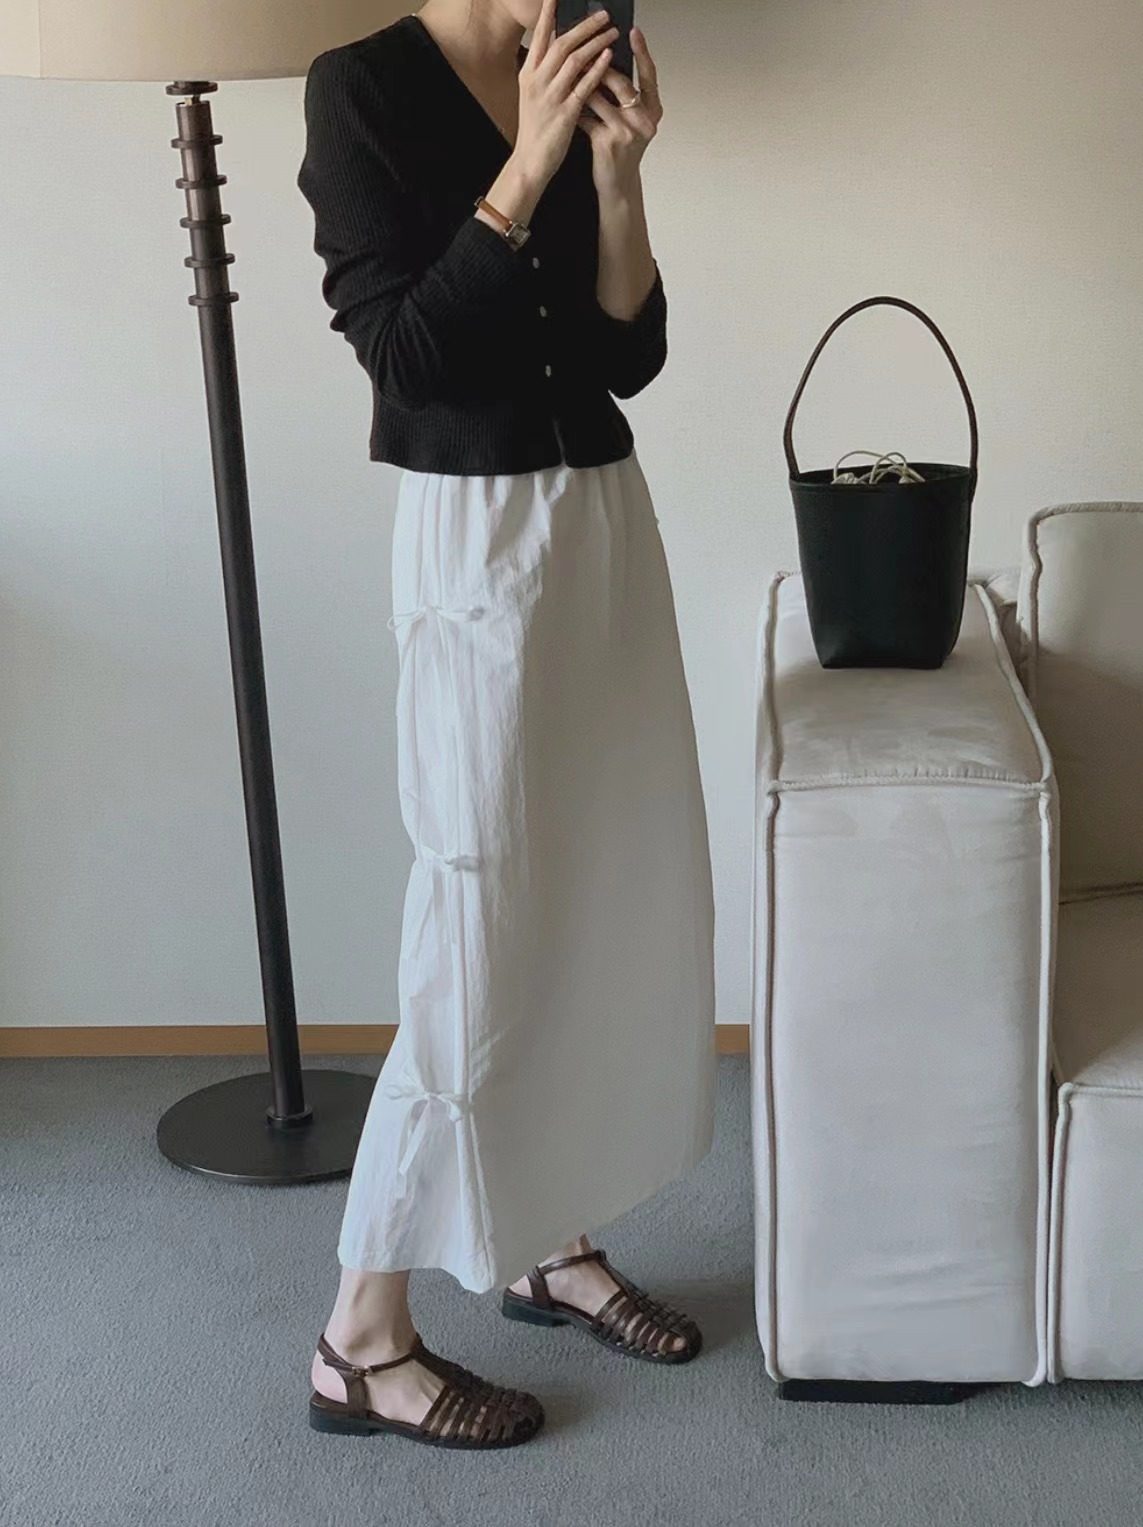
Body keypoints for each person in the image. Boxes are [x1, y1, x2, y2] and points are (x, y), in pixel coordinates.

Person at [297, 0, 715, 1450]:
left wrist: (617, 175)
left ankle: (549, 1236)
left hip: (598, 518)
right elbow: (405, 357)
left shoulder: (584, 45)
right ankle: (361, 1337)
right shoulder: (360, 89)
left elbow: (624, 358)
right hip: (474, 538)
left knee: (596, 893)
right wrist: (526, 163)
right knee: (474, 922)